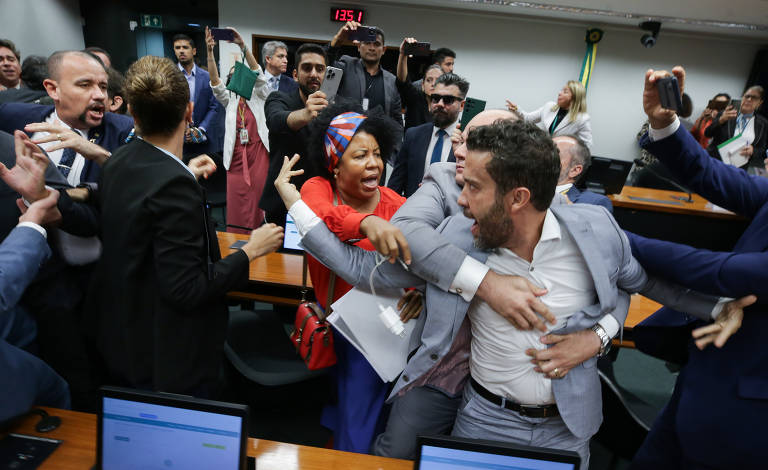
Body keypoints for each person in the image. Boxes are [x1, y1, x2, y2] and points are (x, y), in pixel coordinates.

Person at [278, 118, 734, 467]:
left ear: (517, 198)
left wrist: (719, 306)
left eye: (473, 187)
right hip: (483, 419)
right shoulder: (455, 241)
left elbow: (642, 281)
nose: (460, 199)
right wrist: (296, 205)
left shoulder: (593, 230)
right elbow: (362, 270)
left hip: (568, 427)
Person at [17, 55, 285, 398]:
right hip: (168, 352)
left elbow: (139, 195)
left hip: (122, 333)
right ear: (189, 112)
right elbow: (187, 290)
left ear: (132, 113)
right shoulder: (171, 184)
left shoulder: (119, 161)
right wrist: (252, 249)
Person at [626, 66, 767, 469]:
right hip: (702, 382)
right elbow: (709, 175)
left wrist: (612, 237)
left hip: (746, 417)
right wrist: (667, 124)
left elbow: (721, 271)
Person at [295, 100, 405, 453]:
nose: (374, 163)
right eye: (360, 156)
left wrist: (419, 290)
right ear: (335, 163)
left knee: (361, 423)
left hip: (373, 338)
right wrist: (366, 222)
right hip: (331, 326)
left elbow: (418, 264)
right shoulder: (318, 188)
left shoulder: (398, 206)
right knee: (340, 409)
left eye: (376, 153)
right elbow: (320, 217)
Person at [0, 50, 133, 185]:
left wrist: (101, 156)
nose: (100, 95)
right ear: (53, 89)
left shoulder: (124, 130)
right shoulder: (12, 115)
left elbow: (140, 185)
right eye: (85, 85)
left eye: (103, 86)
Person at [206, 27, 271, 233]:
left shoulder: (260, 95)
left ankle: (262, 236)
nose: (237, 78)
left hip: (259, 155)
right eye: (233, 75)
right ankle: (237, 239)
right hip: (235, 157)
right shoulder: (230, 100)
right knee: (237, 199)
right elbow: (215, 84)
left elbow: (258, 74)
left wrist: (243, 47)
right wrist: (209, 52)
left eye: (241, 75)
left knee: (259, 198)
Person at [259, 43, 329, 226]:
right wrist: (306, 114)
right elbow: (276, 120)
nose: (314, 73)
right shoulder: (278, 98)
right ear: (296, 75)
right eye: (307, 68)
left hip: (319, 203)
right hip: (280, 207)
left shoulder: (332, 109)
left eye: (319, 69)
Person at [388, 73, 468, 197]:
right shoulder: (413, 135)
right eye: (435, 98)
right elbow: (396, 183)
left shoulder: (469, 141)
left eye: (448, 100)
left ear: (462, 105)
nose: (440, 104)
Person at [328, 22, 403, 143]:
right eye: (367, 43)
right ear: (358, 46)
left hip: (378, 146)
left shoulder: (392, 81)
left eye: (377, 44)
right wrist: (338, 39)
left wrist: (394, 151)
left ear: (383, 50)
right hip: (344, 141)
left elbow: (397, 121)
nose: (372, 48)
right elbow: (326, 66)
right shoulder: (346, 65)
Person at [172, 33, 222, 158]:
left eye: (185, 47)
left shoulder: (207, 76)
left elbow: (214, 106)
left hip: (204, 139)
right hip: (177, 140)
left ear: (194, 51)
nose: (181, 51)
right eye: (177, 48)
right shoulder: (168, 76)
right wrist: (182, 130)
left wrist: (201, 129)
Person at [509, 80, 593, 150]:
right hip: (543, 151)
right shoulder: (549, 106)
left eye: (565, 92)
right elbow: (528, 118)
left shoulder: (582, 119)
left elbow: (586, 145)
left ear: (575, 98)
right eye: (561, 90)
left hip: (562, 155)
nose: (559, 93)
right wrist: (517, 110)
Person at [705, 85, 767, 169]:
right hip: (714, 163)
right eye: (747, 96)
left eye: (754, 97)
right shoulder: (725, 114)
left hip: (738, 169)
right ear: (742, 97)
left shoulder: (763, 123)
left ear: (759, 102)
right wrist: (721, 120)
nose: (749, 99)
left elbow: (762, 149)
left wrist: (753, 150)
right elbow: (707, 133)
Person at [553, 135, 612, 211]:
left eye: (552, 155)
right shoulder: (533, 192)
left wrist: (569, 211)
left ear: (574, 170)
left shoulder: (595, 203)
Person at [396, 37, 442, 129]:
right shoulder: (415, 98)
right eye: (429, 80)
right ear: (422, 85)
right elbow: (403, 80)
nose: (433, 84)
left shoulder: (445, 106)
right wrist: (403, 54)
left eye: (438, 80)